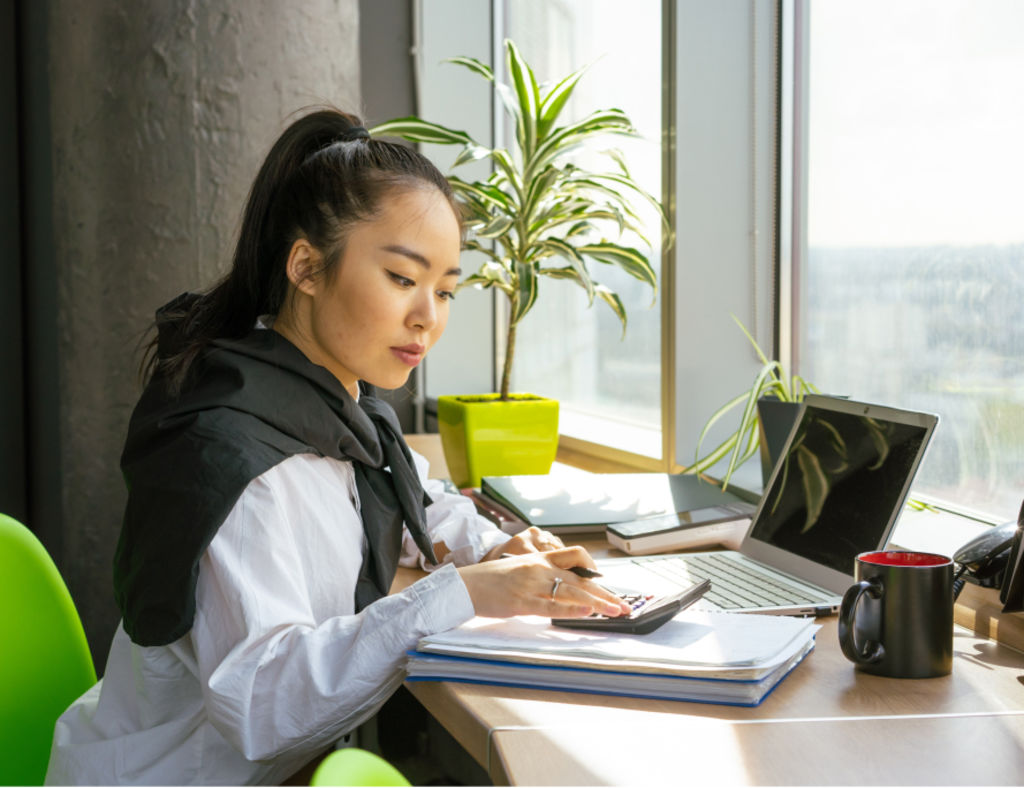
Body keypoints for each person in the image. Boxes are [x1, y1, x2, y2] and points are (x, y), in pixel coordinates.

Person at [44, 108, 629, 785]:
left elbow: (417, 501)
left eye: (445, 290)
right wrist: (462, 593)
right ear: (306, 267)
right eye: (403, 279)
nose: (428, 318)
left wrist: (498, 550)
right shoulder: (241, 458)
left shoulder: (334, 405)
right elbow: (262, 705)